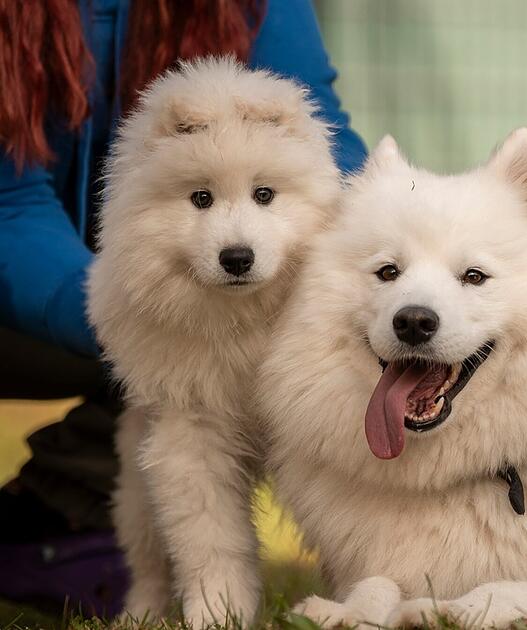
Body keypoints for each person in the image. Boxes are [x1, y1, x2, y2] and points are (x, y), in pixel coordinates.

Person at [0, 0, 367, 615]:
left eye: (263, 195)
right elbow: (8, 202)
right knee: (180, 429)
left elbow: (326, 136)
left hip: (269, 320)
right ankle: (185, 594)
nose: (236, 240)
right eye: (201, 198)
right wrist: (103, 304)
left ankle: (55, 523)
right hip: (46, 295)